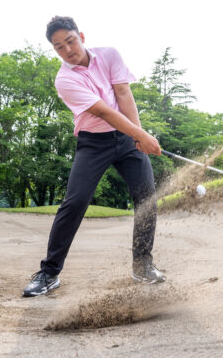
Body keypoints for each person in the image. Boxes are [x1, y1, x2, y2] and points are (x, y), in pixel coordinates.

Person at [23, 16, 165, 297]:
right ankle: (49, 273)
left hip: (126, 138)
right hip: (93, 143)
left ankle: (142, 264)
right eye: (58, 47)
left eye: (70, 41)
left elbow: (124, 94)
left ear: (82, 36)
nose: (67, 50)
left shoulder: (109, 55)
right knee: (75, 202)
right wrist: (140, 135)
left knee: (146, 197)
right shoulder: (65, 80)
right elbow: (103, 111)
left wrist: (136, 134)